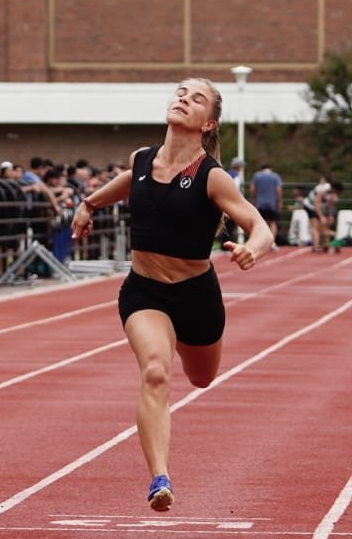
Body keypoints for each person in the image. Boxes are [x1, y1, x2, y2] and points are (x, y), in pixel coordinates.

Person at [70, 77, 272, 512]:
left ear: (208, 123)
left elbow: (260, 226)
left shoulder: (213, 178)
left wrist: (252, 249)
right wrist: (90, 204)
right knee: (157, 372)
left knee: (201, 378)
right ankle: (159, 477)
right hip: (145, 293)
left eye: (196, 98)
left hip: (196, 296)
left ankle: (187, 351)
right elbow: (132, 180)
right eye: (181, 92)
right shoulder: (142, 159)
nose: (183, 99)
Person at [301, 177, 341, 252]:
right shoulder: (323, 190)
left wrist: (330, 216)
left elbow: (330, 206)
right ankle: (316, 247)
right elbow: (316, 204)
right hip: (310, 205)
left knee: (324, 227)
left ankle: (328, 244)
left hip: (319, 207)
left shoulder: (333, 194)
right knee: (315, 226)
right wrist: (321, 217)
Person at [250, 162, 283, 247]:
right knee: (273, 222)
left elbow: (252, 188)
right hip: (272, 203)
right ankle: (271, 242)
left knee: (260, 223)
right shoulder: (275, 176)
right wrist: (279, 202)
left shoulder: (257, 176)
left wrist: (253, 200)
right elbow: (278, 190)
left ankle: (260, 242)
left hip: (260, 203)